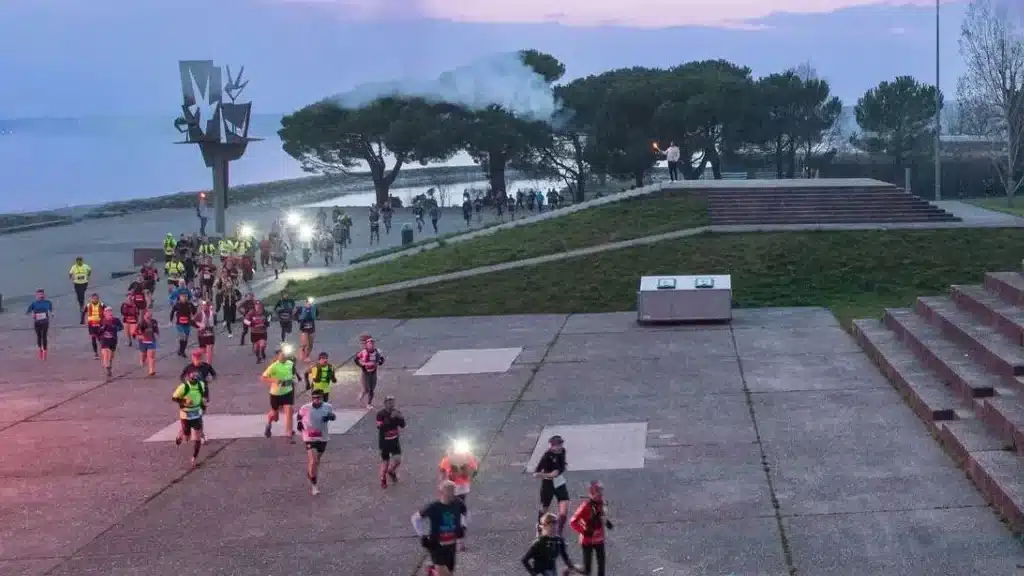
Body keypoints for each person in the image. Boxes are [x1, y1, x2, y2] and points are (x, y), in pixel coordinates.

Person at [411, 481, 468, 576]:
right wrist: (422, 536)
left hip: (451, 545)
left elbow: (466, 513)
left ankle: (432, 571)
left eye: (453, 492)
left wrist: (463, 526)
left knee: (450, 572)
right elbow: (415, 518)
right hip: (437, 546)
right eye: (449, 492)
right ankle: (434, 570)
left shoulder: (458, 503)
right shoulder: (433, 507)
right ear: (441, 492)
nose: (452, 495)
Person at [297, 389, 337, 496]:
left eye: (318, 398)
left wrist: (330, 417)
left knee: (316, 461)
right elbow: (299, 416)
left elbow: (333, 416)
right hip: (309, 437)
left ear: (322, 398)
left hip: (322, 437)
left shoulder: (328, 407)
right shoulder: (305, 407)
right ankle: (314, 486)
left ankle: (311, 473)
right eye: (314, 398)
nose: (316, 400)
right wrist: (299, 423)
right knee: (313, 460)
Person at [569, 482, 613, 576]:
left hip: (599, 539)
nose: (601, 494)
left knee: (601, 566)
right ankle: (571, 568)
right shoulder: (585, 506)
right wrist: (584, 531)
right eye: (599, 492)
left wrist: (607, 522)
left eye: (601, 492)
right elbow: (573, 521)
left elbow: (602, 516)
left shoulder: (602, 503)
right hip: (587, 540)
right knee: (587, 570)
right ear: (593, 493)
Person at [261, 345, 299, 441]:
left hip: (288, 391)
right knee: (274, 415)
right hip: (276, 394)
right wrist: (274, 380)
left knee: (289, 410)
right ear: (277, 356)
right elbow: (263, 377)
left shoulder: (290, 363)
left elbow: (293, 375)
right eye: (282, 354)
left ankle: (288, 433)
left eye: (285, 354)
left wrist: (294, 380)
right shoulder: (273, 366)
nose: (284, 356)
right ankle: (269, 423)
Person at [534, 435, 570, 536]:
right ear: (551, 446)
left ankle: (559, 531)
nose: (559, 447)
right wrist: (548, 475)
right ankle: (540, 527)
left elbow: (562, 465)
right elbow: (536, 473)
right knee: (545, 508)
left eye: (561, 444)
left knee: (564, 506)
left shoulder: (563, 451)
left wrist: (559, 470)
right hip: (548, 484)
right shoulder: (547, 456)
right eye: (557, 445)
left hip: (559, 482)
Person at [172, 374, 206, 468]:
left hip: (196, 414)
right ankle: (181, 433)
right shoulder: (184, 387)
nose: (194, 383)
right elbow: (174, 398)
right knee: (186, 438)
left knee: (197, 437)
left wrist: (203, 407)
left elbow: (201, 396)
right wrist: (185, 401)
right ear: (189, 379)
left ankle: (194, 458)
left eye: (196, 381)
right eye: (192, 381)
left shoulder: (201, 385)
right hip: (185, 414)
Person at [376, 395, 405, 489]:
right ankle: (383, 479)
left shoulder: (397, 412)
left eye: (392, 402)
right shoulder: (380, 414)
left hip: (395, 441)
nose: (391, 404)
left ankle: (391, 471)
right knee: (385, 462)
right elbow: (380, 427)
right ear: (385, 403)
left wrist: (400, 417)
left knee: (398, 460)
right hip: (384, 442)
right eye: (389, 402)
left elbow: (403, 425)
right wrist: (391, 418)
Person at [355, 336, 385, 409]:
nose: (371, 345)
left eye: (372, 343)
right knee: (366, 389)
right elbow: (356, 359)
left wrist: (380, 362)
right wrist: (362, 366)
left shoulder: (378, 351)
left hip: (373, 372)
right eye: (369, 343)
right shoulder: (363, 352)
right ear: (367, 345)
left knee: (371, 389)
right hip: (365, 373)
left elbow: (382, 359)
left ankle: (369, 403)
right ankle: (362, 393)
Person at [25, 289, 53, 360]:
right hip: (37, 322)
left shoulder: (48, 302)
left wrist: (52, 313)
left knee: (44, 336)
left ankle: (45, 352)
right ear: (36, 296)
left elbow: (51, 310)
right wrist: (32, 314)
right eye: (38, 295)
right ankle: (40, 349)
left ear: (44, 295)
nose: (40, 296)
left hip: (45, 322)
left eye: (41, 294)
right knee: (39, 337)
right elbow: (28, 312)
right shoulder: (34, 303)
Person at [97, 308, 124, 378]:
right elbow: (98, 331)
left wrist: (115, 328)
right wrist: (103, 328)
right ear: (104, 314)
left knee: (111, 356)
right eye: (108, 313)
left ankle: (109, 366)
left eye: (111, 313)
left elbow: (121, 327)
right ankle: (107, 367)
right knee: (106, 353)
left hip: (113, 340)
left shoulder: (116, 320)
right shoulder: (101, 321)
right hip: (104, 340)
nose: (110, 315)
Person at [170, 293, 197, 358]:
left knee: (186, 338)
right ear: (180, 297)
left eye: (186, 297)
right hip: (179, 324)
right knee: (183, 336)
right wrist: (171, 320)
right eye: (183, 297)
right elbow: (172, 311)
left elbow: (195, 311)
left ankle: (181, 350)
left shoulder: (190, 304)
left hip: (187, 323)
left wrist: (194, 317)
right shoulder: (177, 304)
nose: (184, 298)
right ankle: (182, 352)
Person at [136, 308, 160, 376]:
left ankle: (151, 370)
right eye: (147, 315)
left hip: (151, 341)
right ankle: (142, 360)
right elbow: (135, 333)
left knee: (151, 355)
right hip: (143, 342)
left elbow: (156, 330)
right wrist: (140, 336)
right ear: (144, 316)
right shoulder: (141, 323)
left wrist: (157, 334)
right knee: (144, 355)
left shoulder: (154, 322)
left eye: (150, 315)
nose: (149, 316)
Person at [69, 256, 91, 324]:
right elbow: (70, 273)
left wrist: (87, 276)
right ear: (76, 261)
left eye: (80, 261)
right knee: (79, 294)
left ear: (82, 261)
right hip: (77, 283)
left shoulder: (85, 266)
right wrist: (70, 277)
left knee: (82, 293)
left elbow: (90, 270)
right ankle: (81, 302)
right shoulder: (74, 267)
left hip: (84, 283)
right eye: (78, 261)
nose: (79, 262)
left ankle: (82, 304)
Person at [84, 293, 105, 360]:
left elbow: (107, 311)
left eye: (96, 298)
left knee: (100, 338)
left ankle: (105, 350)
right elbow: (83, 312)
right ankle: (96, 353)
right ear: (91, 299)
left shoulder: (102, 305)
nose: (95, 300)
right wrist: (82, 321)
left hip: (99, 323)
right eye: (94, 298)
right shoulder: (88, 305)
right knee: (93, 338)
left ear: (98, 299)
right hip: (91, 324)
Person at [295, 297, 317, 362]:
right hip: (303, 328)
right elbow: (295, 315)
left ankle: (307, 355)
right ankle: (304, 356)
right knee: (305, 343)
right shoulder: (301, 309)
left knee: (310, 344)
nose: (309, 304)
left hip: (311, 328)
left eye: (310, 303)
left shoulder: (313, 308)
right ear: (305, 303)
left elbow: (316, 315)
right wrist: (299, 320)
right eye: (308, 303)